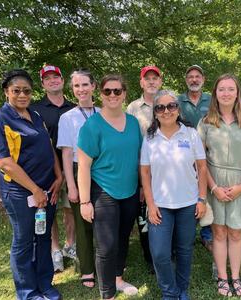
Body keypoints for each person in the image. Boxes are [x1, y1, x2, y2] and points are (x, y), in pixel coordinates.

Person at [0, 69, 63, 300]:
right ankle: (28, 293)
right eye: (16, 90)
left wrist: (58, 177)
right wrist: (35, 190)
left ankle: (45, 285)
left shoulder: (35, 115)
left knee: (44, 236)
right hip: (20, 193)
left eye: (26, 91)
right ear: (6, 92)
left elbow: (48, 147)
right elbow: (5, 163)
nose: (22, 95)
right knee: (24, 240)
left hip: (48, 189)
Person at [197, 74, 241, 297]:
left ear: (237, 93)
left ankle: (235, 276)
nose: (226, 93)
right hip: (213, 183)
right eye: (221, 89)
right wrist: (214, 188)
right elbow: (201, 160)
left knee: (236, 233)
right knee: (218, 232)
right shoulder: (206, 122)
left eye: (230, 89)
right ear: (215, 93)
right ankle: (222, 278)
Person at [77, 74, 142, 299]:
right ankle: (108, 294)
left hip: (131, 191)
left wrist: (143, 189)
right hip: (103, 191)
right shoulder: (92, 126)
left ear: (124, 93)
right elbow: (83, 166)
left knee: (123, 237)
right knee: (106, 245)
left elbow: (139, 158)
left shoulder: (133, 123)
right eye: (108, 91)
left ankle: (118, 278)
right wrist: (85, 201)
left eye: (117, 91)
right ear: (101, 94)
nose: (113, 95)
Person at [141, 90, 207, 300]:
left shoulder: (190, 134)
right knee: (159, 253)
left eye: (171, 106)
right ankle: (169, 292)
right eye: (160, 107)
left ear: (178, 109)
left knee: (185, 250)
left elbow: (202, 168)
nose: (166, 111)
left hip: (188, 203)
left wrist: (202, 199)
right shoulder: (150, 138)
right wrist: (150, 205)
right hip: (160, 205)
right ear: (155, 112)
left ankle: (182, 289)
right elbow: (144, 172)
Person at [57, 69, 100, 288]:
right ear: (72, 89)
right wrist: (71, 185)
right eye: (76, 86)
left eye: (85, 84)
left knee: (103, 218)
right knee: (83, 221)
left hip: (102, 168)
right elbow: (65, 153)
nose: (81, 90)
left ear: (93, 86)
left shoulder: (103, 112)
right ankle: (87, 269)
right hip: (77, 168)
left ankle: (105, 263)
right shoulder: (67, 117)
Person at [31, 65, 76, 272]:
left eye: (55, 77)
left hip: (72, 169)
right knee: (49, 210)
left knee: (70, 208)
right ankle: (55, 249)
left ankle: (70, 245)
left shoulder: (74, 107)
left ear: (62, 80)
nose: (52, 80)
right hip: (47, 170)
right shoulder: (35, 110)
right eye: (47, 78)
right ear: (42, 84)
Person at [126, 65, 163, 273]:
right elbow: (131, 143)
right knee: (145, 215)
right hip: (143, 170)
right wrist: (139, 182)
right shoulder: (132, 108)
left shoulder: (168, 102)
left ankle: (168, 253)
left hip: (167, 171)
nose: (151, 81)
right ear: (141, 82)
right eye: (147, 78)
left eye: (154, 78)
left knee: (166, 211)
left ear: (160, 81)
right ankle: (150, 258)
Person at [178, 65, 213, 253]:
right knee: (190, 192)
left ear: (203, 79)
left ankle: (207, 234)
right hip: (185, 156)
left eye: (197, 76)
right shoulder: (178, 101)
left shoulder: (212, 100)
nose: (194, 80)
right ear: (186, 80)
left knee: (207, 191)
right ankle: (187, 232)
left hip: (209, 155)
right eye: (190, 76)